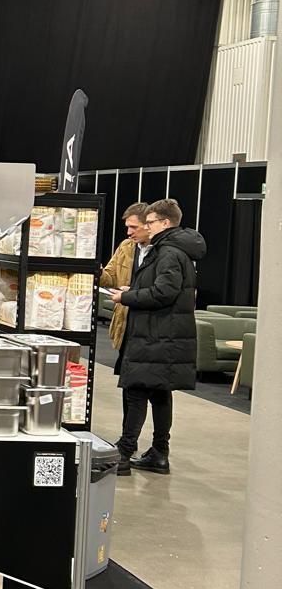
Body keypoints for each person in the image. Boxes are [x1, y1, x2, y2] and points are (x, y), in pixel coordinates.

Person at [110, 198, 206, 477]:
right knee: (160, 393)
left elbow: (164, 292)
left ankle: (123, 454)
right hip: (164, 335)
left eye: (150, 222)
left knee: (136, 391)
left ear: (165, 223)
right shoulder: (174, 250)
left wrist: (127, 296)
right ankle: (159, 453)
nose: (147, 226)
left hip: (155, 335)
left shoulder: (168, 252)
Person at [100, 203, 150, 356]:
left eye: (134, 227)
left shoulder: (163, 251)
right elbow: (110, 279)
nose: (129, 232)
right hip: (124, 322)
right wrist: (97, 271)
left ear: (148, 225)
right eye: (128, 227)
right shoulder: (126, 247)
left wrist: (133, 292)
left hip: (149, 323)